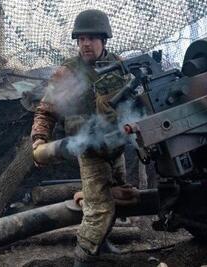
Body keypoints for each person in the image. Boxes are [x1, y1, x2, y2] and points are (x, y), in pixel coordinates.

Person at [31, 9, 130, 266]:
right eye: (81, 39)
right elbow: (46, 110)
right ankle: (83, 258)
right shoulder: (69, 72)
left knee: (118, 198)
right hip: (88, 149)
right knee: (98, 209)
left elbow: (136, 102)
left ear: (104, 39)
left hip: (117, 146)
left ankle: (102, 244)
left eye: (91, 38)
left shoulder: (119, 66)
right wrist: (39, 140)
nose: (85, 44)